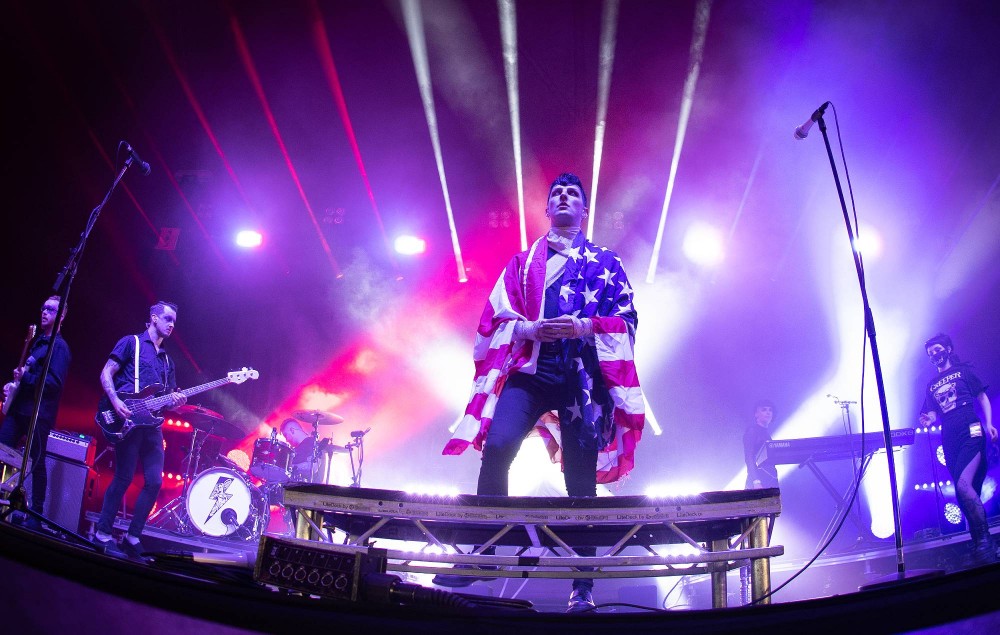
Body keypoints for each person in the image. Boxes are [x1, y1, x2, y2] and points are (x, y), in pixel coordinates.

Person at [440, 173, 645, 612]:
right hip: (532, 371)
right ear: (548, 209)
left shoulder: (606, 263)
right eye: (557, 194)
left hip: (580, 377)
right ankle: (483, 558)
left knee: (580, 481)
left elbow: (627, 321)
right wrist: (529, 328)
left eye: (573, 194)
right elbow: (493, 317)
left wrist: (584, 326)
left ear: (585, 211)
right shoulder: (521, 263)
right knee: (496, 448)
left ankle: (582, 587)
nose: (564, 198)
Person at [94, 301, 186, 558]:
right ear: (153, 317)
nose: (171, 325)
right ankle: (102, 534)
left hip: (152, 425)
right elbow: (106, 374)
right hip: (127, 419)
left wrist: (178, 403)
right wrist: (116, 402)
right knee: (123, 477)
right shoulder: (131, 343)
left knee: (155, 481)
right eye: (167, 319)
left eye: (174, 322)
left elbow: (168, 399)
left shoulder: (167, 360)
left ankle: (132, 537)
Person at [918, 333, 996, 565]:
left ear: (948, 349)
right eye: (930, 353)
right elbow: (932, 411)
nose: (935, 355)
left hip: (970, 428)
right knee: (966, 494)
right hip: (949, 436)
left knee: (963, 486)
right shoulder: (931, 385)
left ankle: (985, 541)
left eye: (938, 349)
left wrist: (989, 424)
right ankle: (978, 542)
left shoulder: (963, 371)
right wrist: (929, 419)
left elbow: (981, 397)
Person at [0, 295, 71, 530]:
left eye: (51, 309)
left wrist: (26, 378)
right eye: (43, 308)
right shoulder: (38, 342)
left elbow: (54, 383)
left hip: (38, 415)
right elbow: (26, 374)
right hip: (19, 408)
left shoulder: (59, 348)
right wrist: (13, 386)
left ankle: (36, 515)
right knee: (3, 452)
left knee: (36, 462)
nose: (44, 312)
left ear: (61, 316)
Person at [743, 400, 779, 489]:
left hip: (770, 479)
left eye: (770, 410)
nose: (768, 412)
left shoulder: (767, 434)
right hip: (758, 481)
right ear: (756, 414)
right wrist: (756, 481)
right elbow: (749, 457)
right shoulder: (752, 431)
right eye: (764, 410)